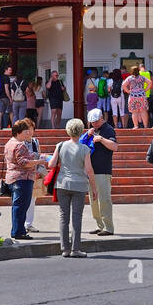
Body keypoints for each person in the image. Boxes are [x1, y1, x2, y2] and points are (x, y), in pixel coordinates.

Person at [48, 118, 97, 257]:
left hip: (62, 183)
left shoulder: (60, 145)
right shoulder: (85, 149)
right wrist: (94, 188)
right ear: (81, 131)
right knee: (77, 217)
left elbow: (51, 164)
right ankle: (75, 249)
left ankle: (65, 248)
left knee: (63, 216)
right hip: (79, 185)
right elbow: (89, 170)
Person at [4, 119, 49, 241]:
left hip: (12, 178)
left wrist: (37, 156)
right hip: (22, 179)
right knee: (22, 206)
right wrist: (40, 161)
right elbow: (24, 162)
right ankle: (19, 232)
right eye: (25, 132)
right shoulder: (20, 145)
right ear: (19, 132)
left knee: (17, 206)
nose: (27, 134)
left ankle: (17, 230)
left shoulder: (9, 143)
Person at [82, 107, 118, 236]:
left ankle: (108, 227)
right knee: (93, 200)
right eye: (92, 122)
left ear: (102, 119)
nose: (94, 124)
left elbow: (115, 147)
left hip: (103, 171)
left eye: (96, 122)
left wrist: (101, 139)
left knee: (104, 199)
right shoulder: (93, 130)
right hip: (91, 171)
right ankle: (99, 225)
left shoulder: (108, 129)